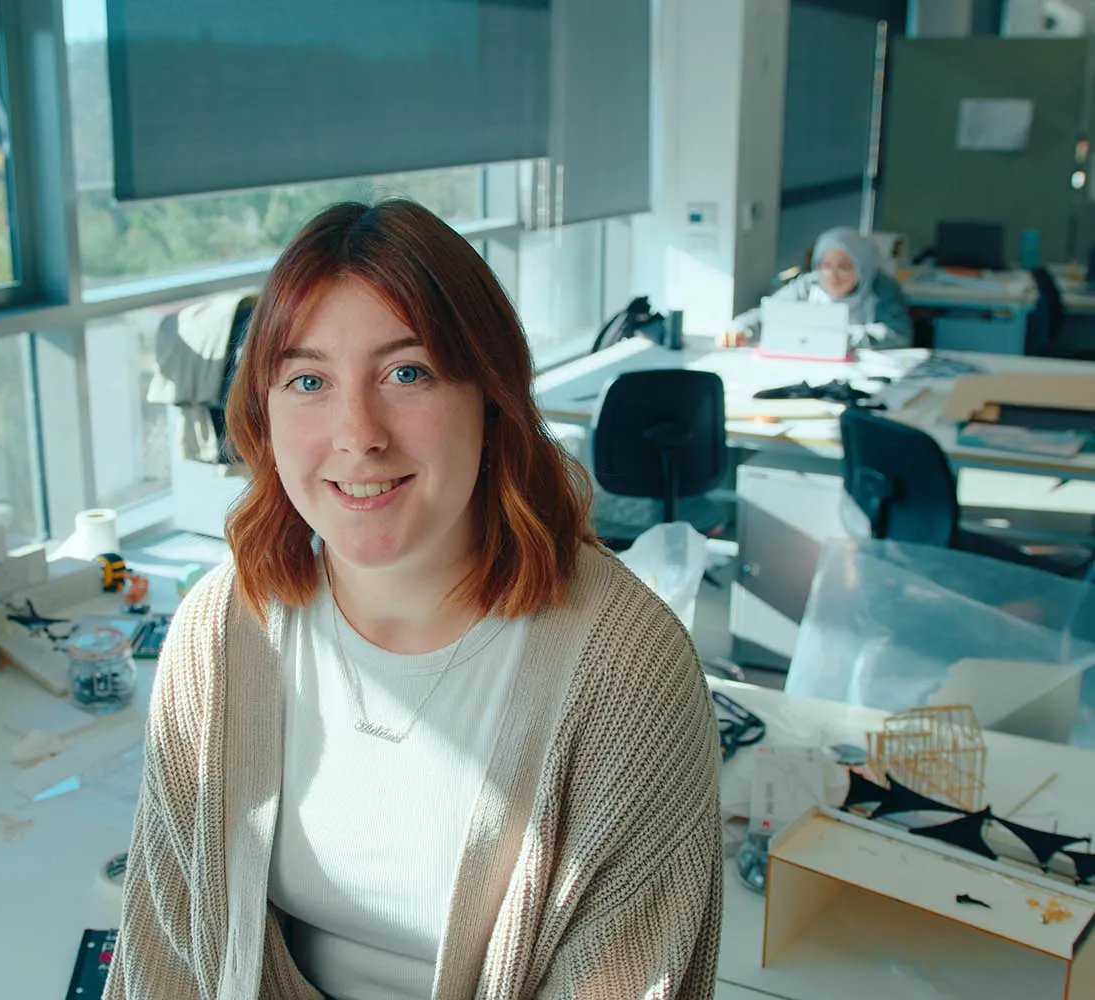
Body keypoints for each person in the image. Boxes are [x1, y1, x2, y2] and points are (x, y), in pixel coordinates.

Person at [104, 200, 723, 1000]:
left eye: (407, 373)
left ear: (490, 400)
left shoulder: (625, 670)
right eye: (308, 380)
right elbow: (163, 950)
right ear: (263, 411)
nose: (358, 434)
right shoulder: (220, 630)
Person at [721, 226, 912, 349]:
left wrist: (838, 338)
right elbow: (769, 313)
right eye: (825, 266)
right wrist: (740, 328)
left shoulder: (881, 288)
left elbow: (899, 334)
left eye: (844, 267)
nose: (833, 276)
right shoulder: (809, 284)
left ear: (862, 267)